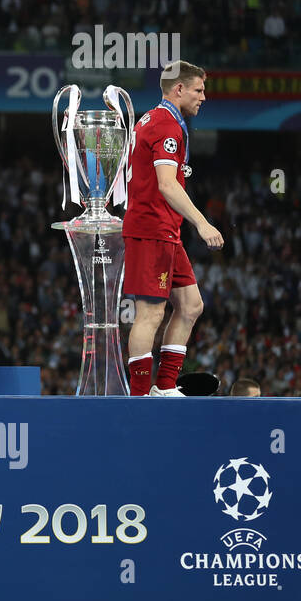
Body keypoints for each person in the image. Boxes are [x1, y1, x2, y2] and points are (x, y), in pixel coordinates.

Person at [123, 60, 224, 397]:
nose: (204, 97)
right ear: (178, 89)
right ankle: (139, 397)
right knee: (150, 312)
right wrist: (202, 221)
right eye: (198, 90)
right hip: (152, 228)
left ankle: (165, 387)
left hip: (164, 229)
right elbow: (167, 185)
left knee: (191, 305)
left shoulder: (153, 118)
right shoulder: (167, 125)